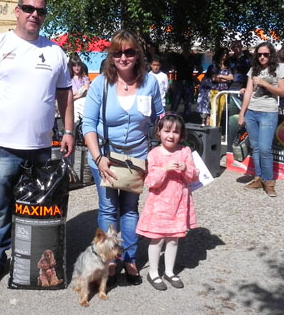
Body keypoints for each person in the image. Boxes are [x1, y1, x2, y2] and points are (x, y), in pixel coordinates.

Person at [0, 0, 74, 290]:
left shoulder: (54, 52)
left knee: (37, 207)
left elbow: (65, 93)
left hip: (40, 148)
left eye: (40, 10)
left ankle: (34, 258)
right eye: (28, 8)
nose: (34, 14)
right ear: (17, 11)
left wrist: (68, 130)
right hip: (2, 147)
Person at [82, 29, 164, 287]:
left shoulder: (150, 83)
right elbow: (88, 124)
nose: (123, 57)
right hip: (105, 156)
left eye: (129, 52)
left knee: (129, 209)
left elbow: (159, 117)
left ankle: (129, 258)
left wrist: (165, 140)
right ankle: (110, 260)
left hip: (137, 157)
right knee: (108, 208)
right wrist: (98, 158)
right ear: (111, 56)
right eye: (117, 53)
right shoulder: (101, 84)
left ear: (137, 54)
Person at [136, 113, 198, 290]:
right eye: (167, 130)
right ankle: (153, 272)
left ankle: (169, 271)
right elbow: (151, 182)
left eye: (176, 132)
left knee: (173, 239)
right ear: (159, 132)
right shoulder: (154, 154)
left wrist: (186, 168)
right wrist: (164, 169)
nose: (171, 135)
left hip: (179, 203)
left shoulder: (185, 151)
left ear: (182, 134)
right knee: (157, 239)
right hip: (159, 204)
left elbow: (194, 177)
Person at [238, 41, 284, 197]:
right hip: (252, 112)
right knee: (256, 147)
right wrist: (242, 113)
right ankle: (259, 178)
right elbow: (248, 93)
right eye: (259, 54)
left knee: (265, 148)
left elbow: (282, 92)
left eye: (265, 54)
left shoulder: (279, 69)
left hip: (268, 112)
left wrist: (265, 84)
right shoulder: (254, 70)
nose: (262, 57)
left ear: (271, 54)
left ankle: (269, 182)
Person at [197, 47, 233, 126]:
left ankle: (217, 129)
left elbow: (231, 77)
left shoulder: (228, 67)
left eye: (226, 53)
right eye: (223, 53)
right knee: (213, 111)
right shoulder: (213, 66)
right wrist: (225, 78)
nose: (225, 55)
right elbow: (214, 78)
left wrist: (220, 76)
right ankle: (212, 128)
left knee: (220, 111)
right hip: (214, 90)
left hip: (224, 91)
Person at [170, 41, 202, 120]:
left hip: (189, 82)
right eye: (185, 46)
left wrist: (195, 76)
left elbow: (200, 69)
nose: (186, 48)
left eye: (188, 46)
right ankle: (170, 119)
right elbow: (173, 70)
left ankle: (186, 121)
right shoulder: (178, 57)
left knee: (188, 103)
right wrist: (173, 82)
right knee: (175, 103)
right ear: (182, 47)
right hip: (179, 82)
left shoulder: (193, 58)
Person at [69, 54, 90, 123]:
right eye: (74, 66)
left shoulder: (84, 77)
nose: (77, 68)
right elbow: (69, 96)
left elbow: (86, 89)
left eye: (78, 66)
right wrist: (79, 94)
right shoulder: (69, 79)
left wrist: (75, 94)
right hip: (72, 104)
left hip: (83, 102)